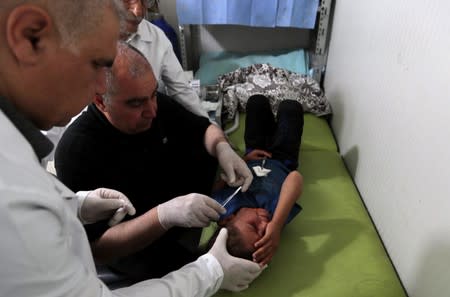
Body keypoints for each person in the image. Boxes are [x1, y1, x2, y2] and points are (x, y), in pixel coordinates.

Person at [0, 1, 261, 296]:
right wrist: (208, 271)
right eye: (96, 63)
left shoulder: (17, 157)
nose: (100, 83)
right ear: (29, 36)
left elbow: (201, 127)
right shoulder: (17, 196)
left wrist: (76, 205)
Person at [55, 41, 255, 281]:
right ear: (100, 101)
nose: (151, 110)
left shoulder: (154, 104)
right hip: (142, 246)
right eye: (135, 103)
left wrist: (223, 148)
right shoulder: (77, 151)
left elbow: (202, 129)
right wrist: (164, 215)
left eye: (152, 95)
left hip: (183, 204)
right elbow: (98, 248)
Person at [209, 94, 305, 266]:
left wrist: (244, 161)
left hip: (254, 153)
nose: (264, 225)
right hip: (283, 160)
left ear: (228, 220)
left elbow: (216, 188)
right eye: (263, 234)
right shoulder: (274, 218)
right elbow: (295, 179)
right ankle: (280, 116)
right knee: (291, 107)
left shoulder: (223, 208)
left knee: (256, 102)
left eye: (254, 226)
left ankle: (267, 117)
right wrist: (275, 226)